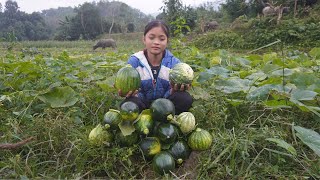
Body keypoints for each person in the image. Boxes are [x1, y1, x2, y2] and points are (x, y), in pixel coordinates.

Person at [118, 20, 193, 115]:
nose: (156, 42)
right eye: (151, 38)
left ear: (167, 41)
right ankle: (143, 122)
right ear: (144, 39)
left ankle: (167, 121)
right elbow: (127, 85)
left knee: (184, 98)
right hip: (142, 104)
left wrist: (175, 90)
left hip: (166, 105)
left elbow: (176, 91)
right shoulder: (134, 62)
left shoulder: (174, 63)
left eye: (161, 39)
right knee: (129, 103)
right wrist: (127, 92)